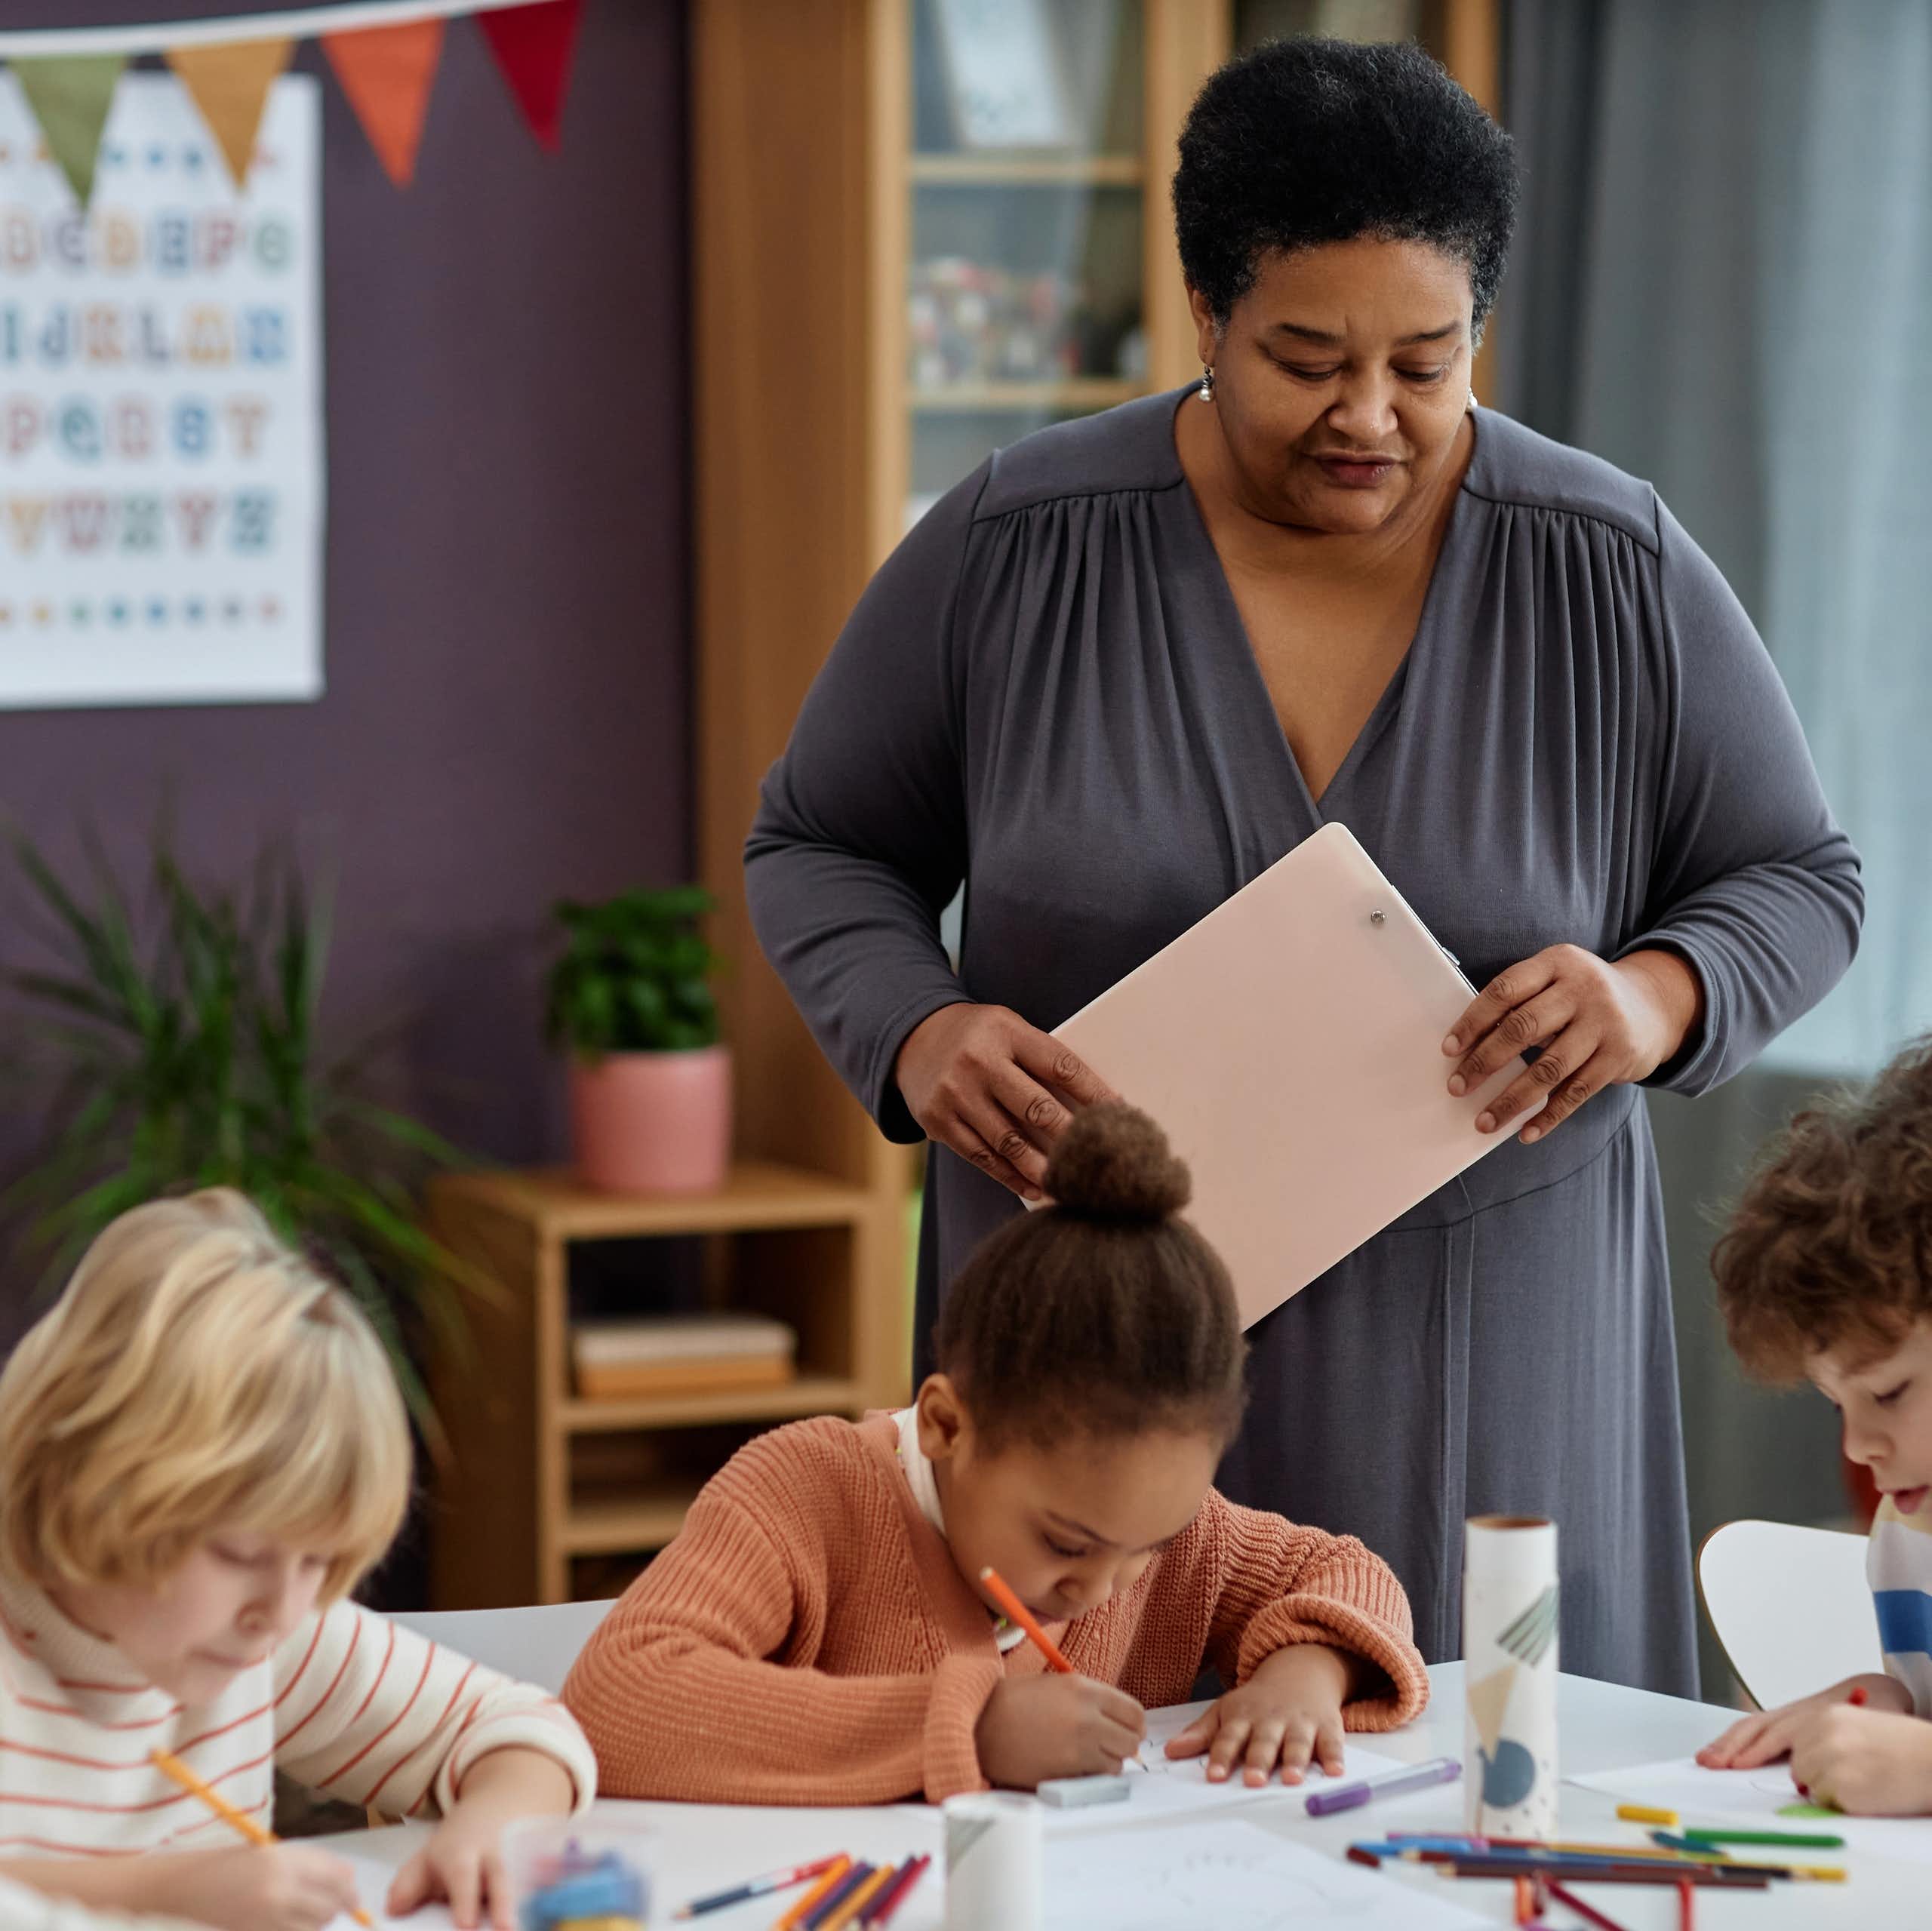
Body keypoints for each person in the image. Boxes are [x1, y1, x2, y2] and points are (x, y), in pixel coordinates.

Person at [743, 37, 1862, 1693]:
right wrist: (916, 1028)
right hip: (1085, 1375)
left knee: (1493, 1791)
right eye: (1303, 357)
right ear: (1203, 314)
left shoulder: (1605, 564)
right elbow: (819, 844)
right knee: (1076, 1786)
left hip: (1490, 1370)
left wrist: (1648, 994)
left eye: (1426, 361)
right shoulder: (1012, 547)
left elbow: (1798, 876)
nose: (1367, 416)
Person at [563, 1105, 1426, 1803]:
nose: (1100, 1588)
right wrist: (971, 1730)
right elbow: (618, 1698)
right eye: (1065, 1543)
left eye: (1148, 1548)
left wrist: (1304, 1674)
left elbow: (1344, 1575)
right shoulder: (806, 1491)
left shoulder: (1157, 1533)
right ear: (944, 1424)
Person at [0, 1191, 596, 1931]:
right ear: (91, 1485)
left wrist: (489, 1832)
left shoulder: (269, 1640)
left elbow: (519, 1726)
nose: (281, 1611)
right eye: (239, 1553)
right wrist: (166, 1894)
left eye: (319, 1561)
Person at [1697, 1038, 1932, 1816]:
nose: (1857, 1447)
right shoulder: (1906, 1539)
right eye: (1839, 1404)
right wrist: (1891, 1700)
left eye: (1890, 1392)